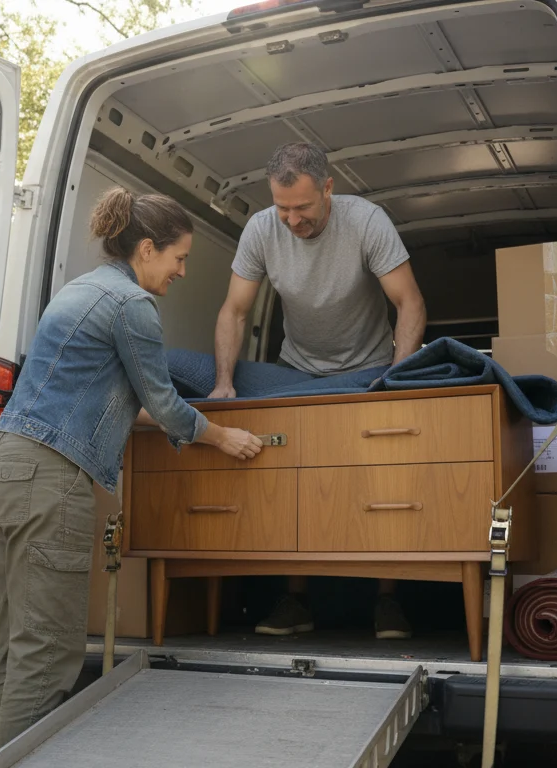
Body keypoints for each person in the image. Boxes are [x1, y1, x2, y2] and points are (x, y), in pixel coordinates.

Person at [0, 188, 263, 747]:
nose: (182, 271)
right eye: (179, 258)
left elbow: (111, 395)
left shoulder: (83, 289)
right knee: (49, 651)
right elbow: (160, 400)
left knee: (18, 644)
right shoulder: (131, 304)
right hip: (50, 482)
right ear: (147, 249)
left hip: (8, 468)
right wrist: (220, 435)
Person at [209, 142, 427, 640]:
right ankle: (296, 600)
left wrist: (396, 381)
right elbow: (235, 311)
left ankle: (388, 600)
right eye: (282, 207)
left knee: (381, 478)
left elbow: (409, 303)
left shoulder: (366, 221)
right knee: (293, 477)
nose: (291, 219)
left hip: (369, 367)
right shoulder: (263, 229)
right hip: (297, 368)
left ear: (328, 188)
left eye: (302, 208)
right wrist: (224, 385)